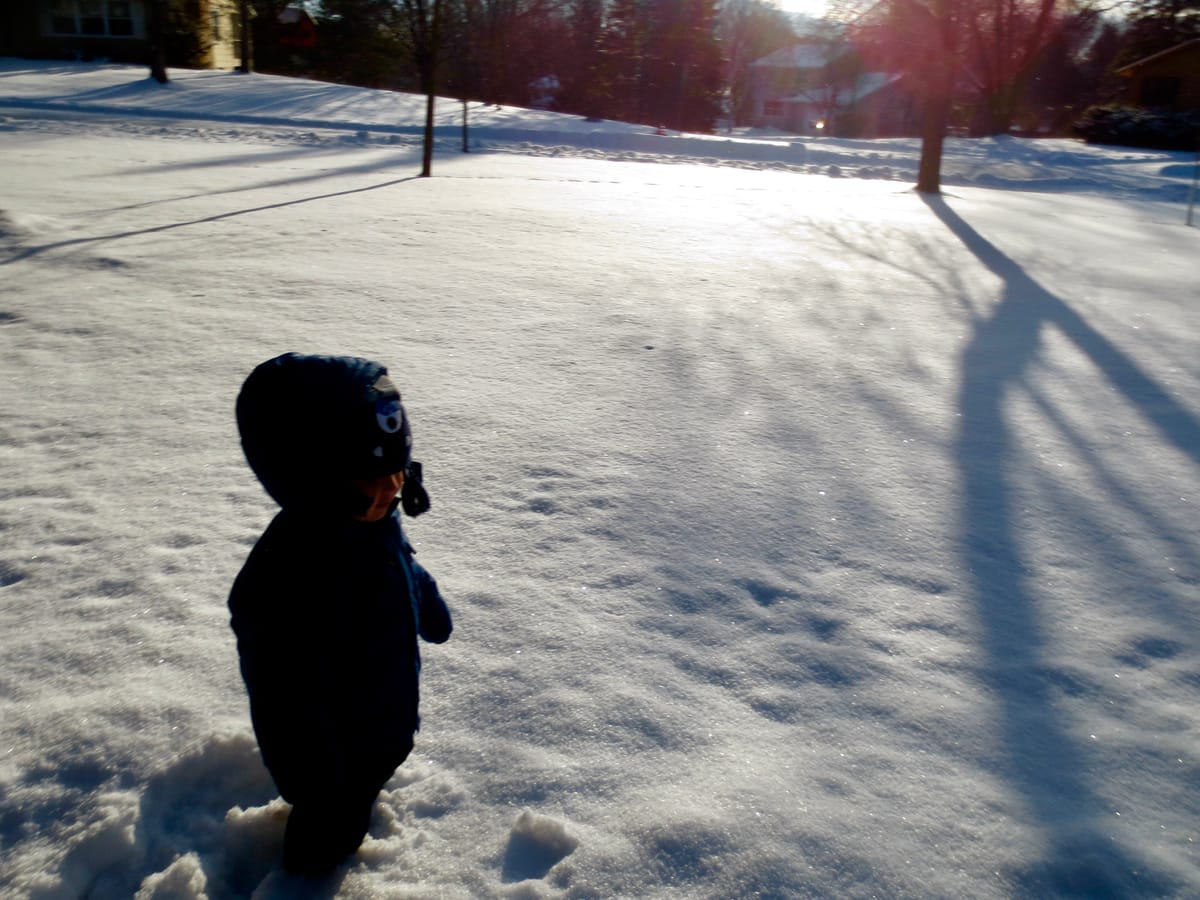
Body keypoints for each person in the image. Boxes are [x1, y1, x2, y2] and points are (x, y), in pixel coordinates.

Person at [229, 352, 452, 876]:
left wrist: (429, 606)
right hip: (332, 755)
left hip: (381, 721)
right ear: (311, 481)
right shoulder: (285, 575)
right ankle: (306, 876)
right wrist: (313, 776)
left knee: (366, 780)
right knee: (331, 829)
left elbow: (402, 568)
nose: (391, 492)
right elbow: (280, 693)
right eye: (369, 484)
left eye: (395, 474)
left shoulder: (375, 521)